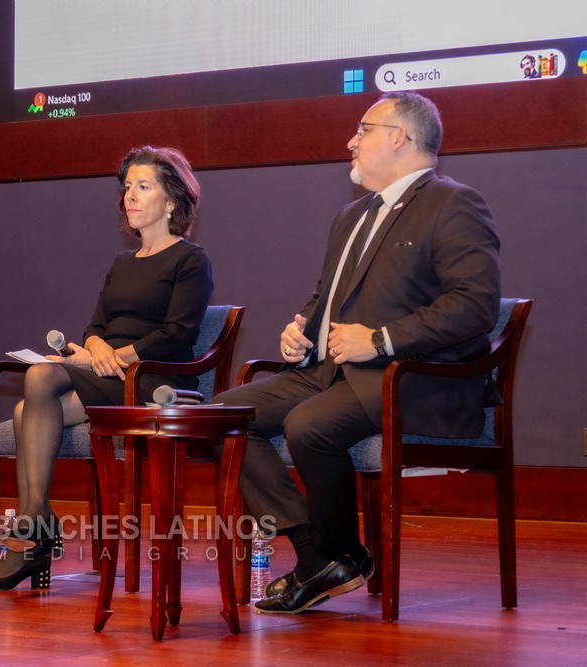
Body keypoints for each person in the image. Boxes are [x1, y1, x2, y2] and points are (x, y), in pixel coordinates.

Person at [215, 92, 501, 613]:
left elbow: (473, 306)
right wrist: (301, 331)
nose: (351, 141)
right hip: (331, 370)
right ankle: (320, 554)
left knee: (309, 425)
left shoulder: (452, 203)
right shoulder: (350, 216)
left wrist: (379, 339)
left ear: (399, 137)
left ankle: (333, 555)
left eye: (363, 129)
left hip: (410, 376)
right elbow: (328, 298)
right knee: (223, 418)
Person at [0, 146, 214, 590]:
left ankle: (32, 531)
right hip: (106, 374)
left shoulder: (190, 259)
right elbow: (96, 327)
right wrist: (95, 348)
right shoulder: (122, 263)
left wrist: (113, 357)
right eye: (127, 188)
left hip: (152, 378)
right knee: (24, 411)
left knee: (40, 377)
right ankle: (35, 526)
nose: (130, 196)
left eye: (143, 187)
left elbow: (177, 333)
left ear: (172, 200)